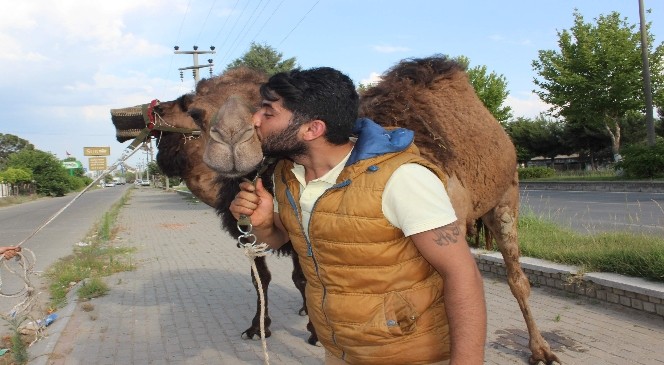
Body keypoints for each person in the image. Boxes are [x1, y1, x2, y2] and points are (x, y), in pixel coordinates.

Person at [230, 67, 486, 365]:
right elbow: (282, 238)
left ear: (312, 129)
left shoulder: (402, 179)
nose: (254, 120)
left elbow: (462, 274)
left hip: (409, 354)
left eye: (268, 112)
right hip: (340, 351)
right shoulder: (288, 175)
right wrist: (262, 225)